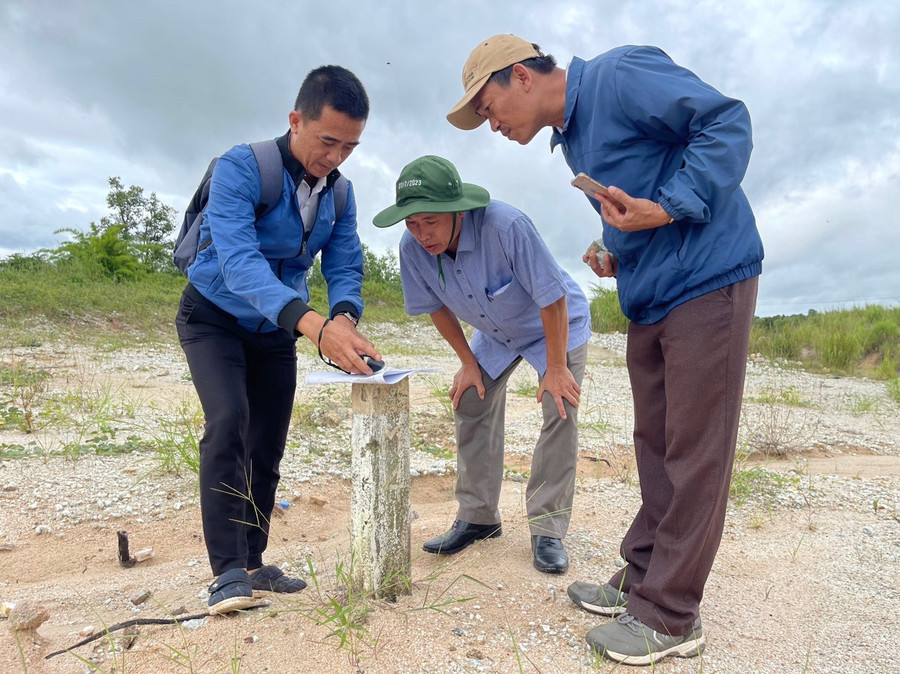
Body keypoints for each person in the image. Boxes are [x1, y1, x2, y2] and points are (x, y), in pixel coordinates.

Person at [447, 35, 763, 664]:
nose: (492, 125)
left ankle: (671, 616)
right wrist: (615, 250)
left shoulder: (619, 76)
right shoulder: (574, 138)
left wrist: (668, 208)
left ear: (521, 77)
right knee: (656, 444)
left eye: (488, 107)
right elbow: (641, 201)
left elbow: (728, 122)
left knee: (696, 452)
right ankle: (642, 578)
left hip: (710, 279)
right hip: (653, 294)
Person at [176, 65, 381, 614]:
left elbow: (344, 259)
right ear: (296, 121)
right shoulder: (242, 168)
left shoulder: (341, 193)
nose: (336, 156)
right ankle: (225, 573)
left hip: (275, 328)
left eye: (350, 147)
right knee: (228, 425)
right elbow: (239, 265)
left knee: (267, 443)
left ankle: (252, 560)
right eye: (328, 141)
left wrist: (345, 317)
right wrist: (317, 327)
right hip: (213, 317)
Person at [373, 155, 592, 574]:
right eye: (411, 224)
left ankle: (547, 529)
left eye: (430, 222)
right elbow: (435, 307)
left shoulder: (505, 227)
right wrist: (467, 363)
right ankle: (478, 517)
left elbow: (553, 297)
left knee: (559, 407)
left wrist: (557, 367)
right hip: (495, 333)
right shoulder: (413, 249)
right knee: (470, 399)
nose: (422, 235)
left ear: (456, 209)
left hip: (554, 325)